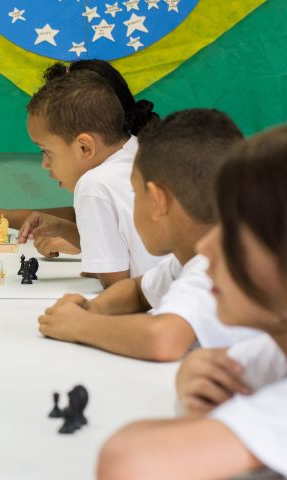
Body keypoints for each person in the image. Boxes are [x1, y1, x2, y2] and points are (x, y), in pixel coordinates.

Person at [97, 121, 287, 480]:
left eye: (235, 233)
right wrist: (193, 373)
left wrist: (197, 421)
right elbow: (206, 365)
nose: (206, 247)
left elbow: (128, 461)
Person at [38, 109, 257, 361]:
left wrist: (78, 325)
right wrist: (92, 308)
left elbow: (162, 340)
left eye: (134, 192)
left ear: (157, 200)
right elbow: (138, 291)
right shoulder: (189, 256)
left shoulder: (214, 265)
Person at [0, 60, 158, 279]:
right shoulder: (140, 151)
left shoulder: (95, 184)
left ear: (84, 147)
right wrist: (67, 231)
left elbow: (118, 289)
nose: (45, 164)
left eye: (46, 151)